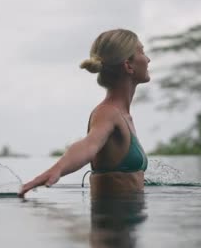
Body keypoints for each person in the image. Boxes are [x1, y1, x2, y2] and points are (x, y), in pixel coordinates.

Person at [18, 29, 150, 198]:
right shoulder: (108, 113)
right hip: (112, 221)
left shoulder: (121, 114)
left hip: (128, 219)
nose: (148, 59)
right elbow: (89, 145)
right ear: (128, 65)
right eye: (142, 52)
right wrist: (57, 169)